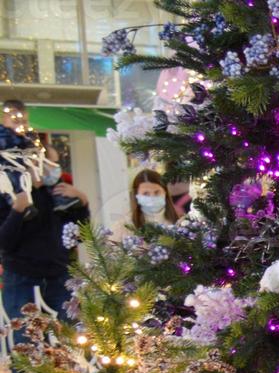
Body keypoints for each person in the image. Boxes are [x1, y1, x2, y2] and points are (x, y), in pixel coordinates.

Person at [0, 100, 89, 325]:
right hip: (21, 278)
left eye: (52, 162)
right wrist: (18, 211)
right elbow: (4, 242)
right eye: (43, 161)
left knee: (69, 343)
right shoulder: (10, 192)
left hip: (59, 276)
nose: (49, 166)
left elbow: (78, 234)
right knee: (24, 345)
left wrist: (82, 201)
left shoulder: (58, 192)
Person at [110, 169, 180, 239]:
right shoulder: (124, 226)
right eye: (146, 193)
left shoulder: (180, 223)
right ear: (136, 196)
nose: (152, 197)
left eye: (157, 192)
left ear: (165, 193)